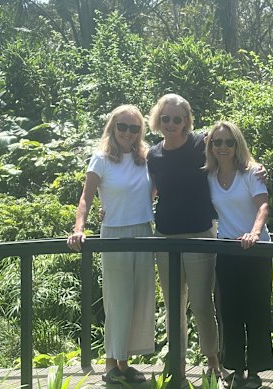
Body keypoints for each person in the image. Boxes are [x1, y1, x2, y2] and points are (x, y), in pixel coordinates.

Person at [67, 105, 155, 384]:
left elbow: (156, 187)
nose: (128, 133)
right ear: (112, 127)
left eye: (134, 128)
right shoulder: (101, 159)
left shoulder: (147, 157)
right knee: (118, 299)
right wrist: (79, 228)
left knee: (140, 298)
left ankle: (124, 362)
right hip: (114, 234)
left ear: (141, 131)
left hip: (143, 230)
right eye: (122, 127)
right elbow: (86, 196)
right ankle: (110, 363)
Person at [147, 94, 221, 377]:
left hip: (200, 233)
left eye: (177, 119)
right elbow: (148, 192)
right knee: (173, 305)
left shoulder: (200, 144)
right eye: (165, 118)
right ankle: (176, 364)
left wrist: (256, 172)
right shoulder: (153, 155)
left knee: (202, 304)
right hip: (165, 237)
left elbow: (230, 156)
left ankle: (214, 363)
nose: (171, 123)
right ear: (158, 119)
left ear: (186, 121)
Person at [204, 121, 273, 389]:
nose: (223, 147)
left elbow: (263, 206)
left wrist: (254, 233)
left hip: (255, 250)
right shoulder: (209, 176)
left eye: (229, 142)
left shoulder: (252, 173)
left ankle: (255, 371)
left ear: (238, 145)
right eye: (217, 142)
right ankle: (234, 368)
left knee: (256, 311)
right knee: (229, 311)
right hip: (226, 250)